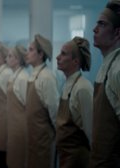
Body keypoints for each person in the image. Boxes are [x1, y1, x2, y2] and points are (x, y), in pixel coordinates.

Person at [90, 1, 120, 167]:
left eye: (102, 24)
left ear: (117, 33)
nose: (95, 29)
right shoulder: (107, 66)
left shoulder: (118, 68)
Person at [55, 37, 93, 168]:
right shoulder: (67, 85)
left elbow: (91, 132)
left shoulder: (83, 88)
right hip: (65, 156)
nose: (57, 57)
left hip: (78, 159)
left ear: (76, 61)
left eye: (63, 54)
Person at [24, 34, 59, 168]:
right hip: (33, 137)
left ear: (40, 54)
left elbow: (54, 111)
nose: (27, 53)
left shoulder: (47, 77)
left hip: (44, 139)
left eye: (31, 49)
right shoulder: (34, 74)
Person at [5, 45, 29, 168]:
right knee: (13, 158)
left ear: (18, 60)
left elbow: (27, 105)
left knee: (18, 159)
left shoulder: (23, 78)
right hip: (13, 124)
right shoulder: (14, 75)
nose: (7, 58)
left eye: (10, 56)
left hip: (20, 126)